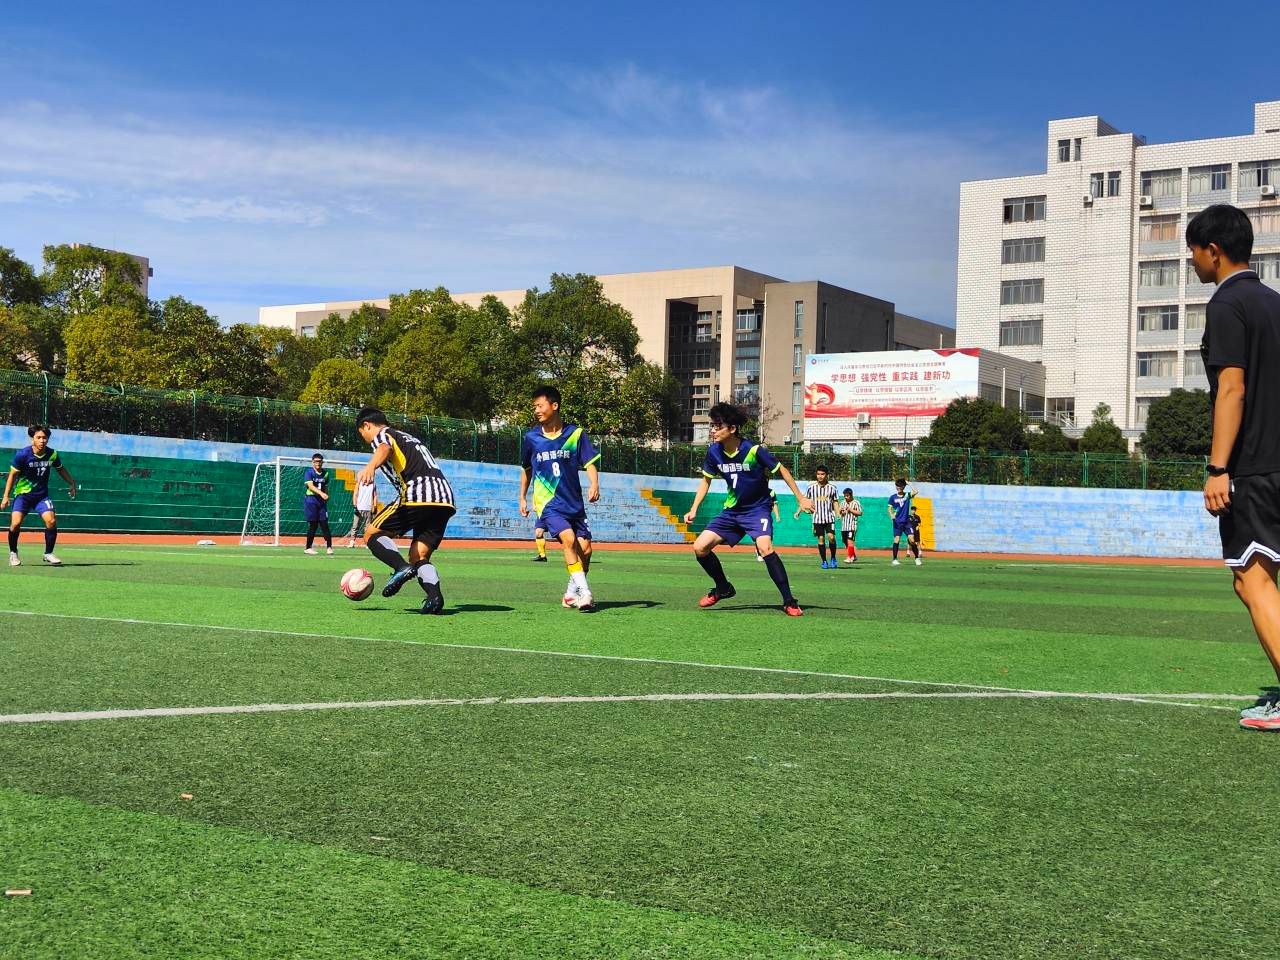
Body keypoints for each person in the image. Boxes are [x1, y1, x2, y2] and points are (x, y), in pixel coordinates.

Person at [1188, 205, 1280, 731]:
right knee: (1259, 580)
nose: (1192, 262)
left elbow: (1232, 388)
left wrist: (1218, 467)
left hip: (1256, 467)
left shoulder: (1227, 303)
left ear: (1213, 251)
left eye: (1193, 252)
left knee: (1252, 580)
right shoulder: (1273, 302)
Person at [683, 402, 813, 616]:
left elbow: (782, 470)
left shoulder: (753, 450)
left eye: (718, 426)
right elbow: (706, 481)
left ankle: (789, 601)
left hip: (757, 510)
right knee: (700, 547)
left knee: (765, 548)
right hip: (732, 511)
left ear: (732, 428)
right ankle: (723, 587)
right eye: (712, 426)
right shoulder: (713, 452)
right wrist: (694, 508)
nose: (713, 430)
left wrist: (801, 498)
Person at [355, 408, 456, 615]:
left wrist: (371, 466)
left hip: (418, 494)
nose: (364, 438)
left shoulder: (383, 434)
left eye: (362, 433)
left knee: (371, 533)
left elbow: (384, 447)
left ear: (367, 425)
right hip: (444, 499)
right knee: (419, 555)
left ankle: (400, 568)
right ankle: (434, 598)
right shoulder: (409, 438)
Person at [519, 385, 601, 612]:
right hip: (548, 503)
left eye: (540, 405)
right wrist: (522, 497)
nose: (536, 410)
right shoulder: (532, 438)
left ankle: (570, 594)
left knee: (586, 551)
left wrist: (594, 484)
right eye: (534, 407)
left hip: (574, 503)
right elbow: (526, 469)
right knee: (568, 539)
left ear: (554, 406)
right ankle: (585, 593)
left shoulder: (575, 434)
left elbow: (589, 463)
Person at [3, 424, 76, 567]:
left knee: (51, 521)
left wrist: (71, 483)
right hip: (23, 495)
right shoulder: (22, 455)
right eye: (39, 437)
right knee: (15, 524)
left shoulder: (52, 454)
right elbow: (12, 476)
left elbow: (60, 469)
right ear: (32, 439)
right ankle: (13, 553)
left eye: (45, 438)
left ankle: (48, 553)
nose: (42, 440)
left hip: (41, 496)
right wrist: (6, 496)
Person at [798, 465, 838, 568]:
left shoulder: (832, 488)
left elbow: (835, 501)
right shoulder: (811, 487)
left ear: (827, 475)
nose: (820, 476)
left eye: (822, 474)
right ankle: (824, 561)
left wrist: (838, 513)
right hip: (817, 518)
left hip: (829, 518)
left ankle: (833, 558)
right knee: (821, 539)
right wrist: (799, 511)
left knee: (831, 537)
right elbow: (805, 501)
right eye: (818, 474)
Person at [302, 453, 333, 555]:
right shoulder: (309, 472)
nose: (318, 463)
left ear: (322, 462)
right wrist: (321, 493)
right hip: (311, 500)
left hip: (321, 502)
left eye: (319, 461)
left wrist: (326, 495)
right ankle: (308, 547)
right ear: (312, 462)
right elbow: (310, 486)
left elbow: (326, 487)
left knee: (324, 524)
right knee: (313, 525)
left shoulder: (326, 473)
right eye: (316, 461)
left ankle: (329, 547)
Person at [888, 478, 921, 566]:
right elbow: (889, 508)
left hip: (907, 522)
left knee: (912, 540)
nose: (898, 487)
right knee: (896, 539)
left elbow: (916, 491)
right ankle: (894, 559)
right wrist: (891, 514)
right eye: (897, 486)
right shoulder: (892, 497)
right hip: (897, 522)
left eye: (900, 486)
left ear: (903, 487)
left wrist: (908, 483)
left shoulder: (907, 495)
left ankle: (917, 558)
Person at [346, 477, 378, 548]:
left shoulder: (373, 485)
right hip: (359, 508)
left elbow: (375, 496)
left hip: (368, 509)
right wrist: (355, 505)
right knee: (355, 525)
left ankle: (367, 543)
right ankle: (352, 542)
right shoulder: (359, 484)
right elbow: (355, 494)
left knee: (367, 527)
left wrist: (375, 506)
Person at [838, 488, 862, 563]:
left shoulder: (856, 502)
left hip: (852, 526)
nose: (846, 497)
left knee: (850, 541)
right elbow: (840, 513)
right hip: (844, 526)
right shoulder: (842, 503)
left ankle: (850, 557)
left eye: (847, 496)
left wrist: (851, 510)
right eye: (844, 496)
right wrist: (840, 511)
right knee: (845, 541)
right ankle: (853, 556)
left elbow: (860, 513)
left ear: (851, 495)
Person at [755, 491, 781, 562]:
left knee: (769, 535)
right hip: (757, 515)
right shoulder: (755, 490)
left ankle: (768, 553)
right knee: (759, 535)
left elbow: (774, 504)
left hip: (767, 516)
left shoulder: (771, 492)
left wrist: (777, 515)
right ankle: (759, 554)